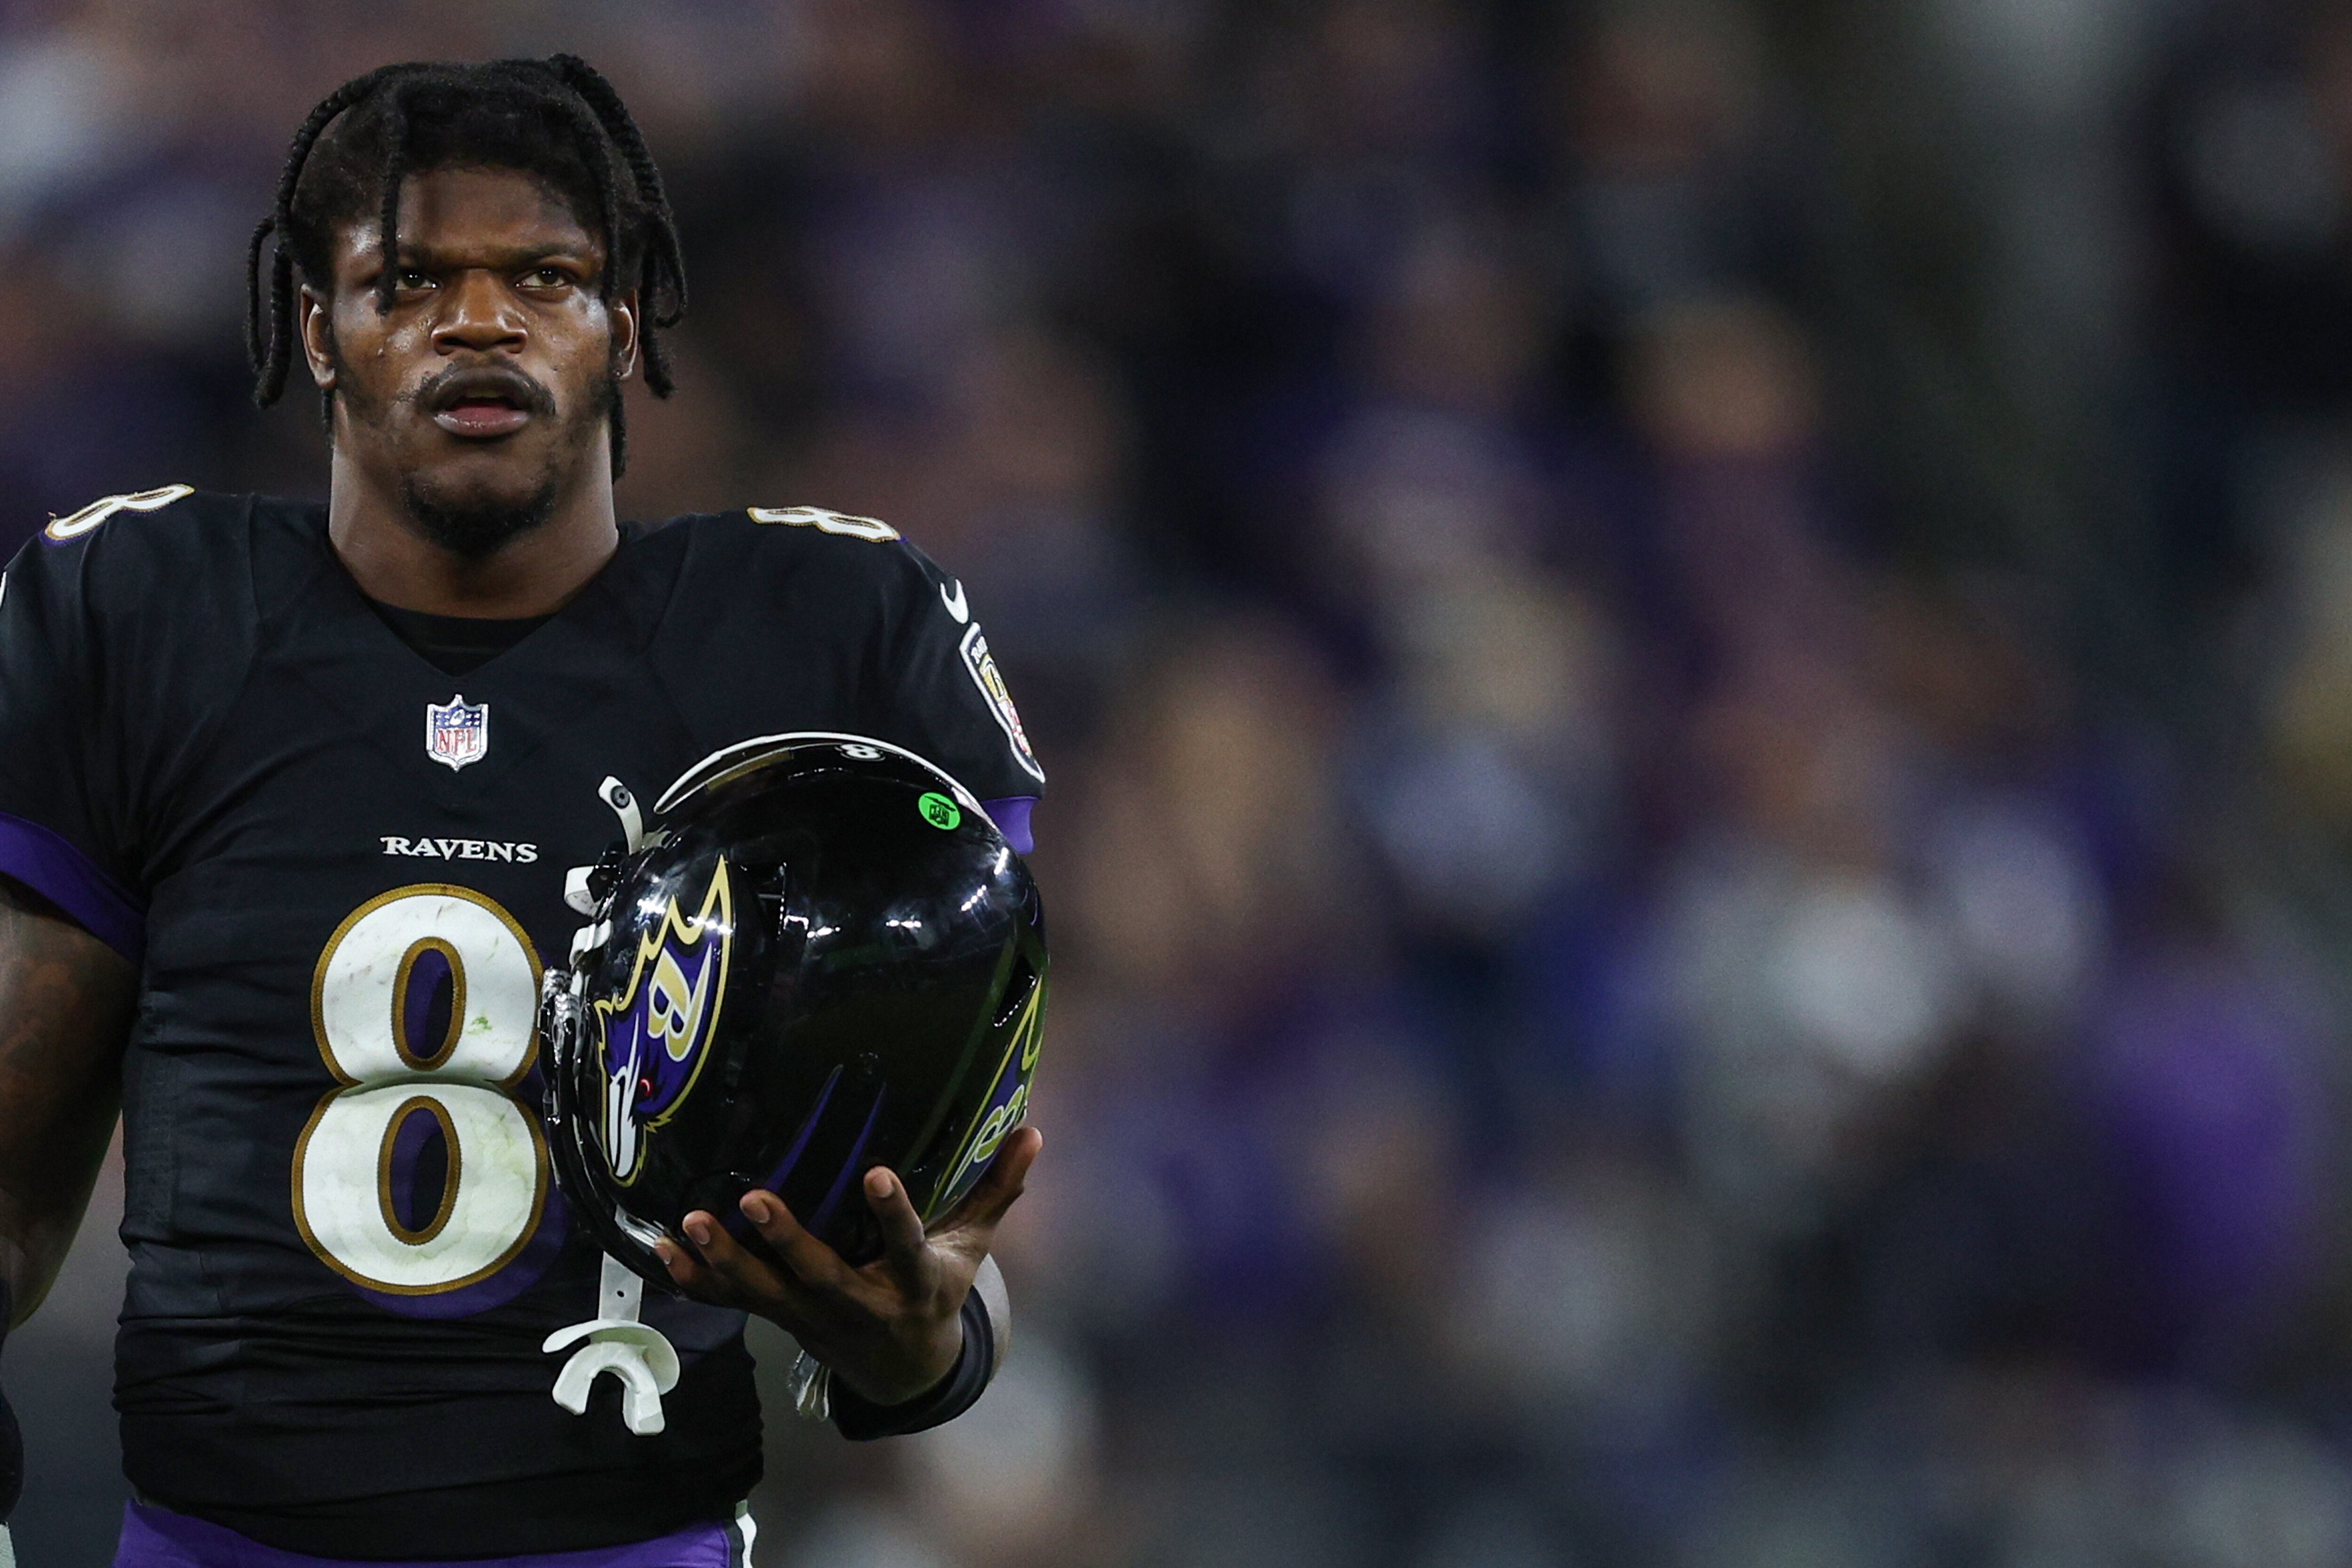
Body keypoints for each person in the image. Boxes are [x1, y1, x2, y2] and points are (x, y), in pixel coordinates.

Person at [0, 55, 1047, 1566]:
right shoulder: (140, 616)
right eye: (409, 279)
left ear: (625, 323)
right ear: (317, 330)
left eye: (545, 277)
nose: (479, 321)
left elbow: (942, 1249)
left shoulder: (828, 637)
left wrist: (918, 1348)